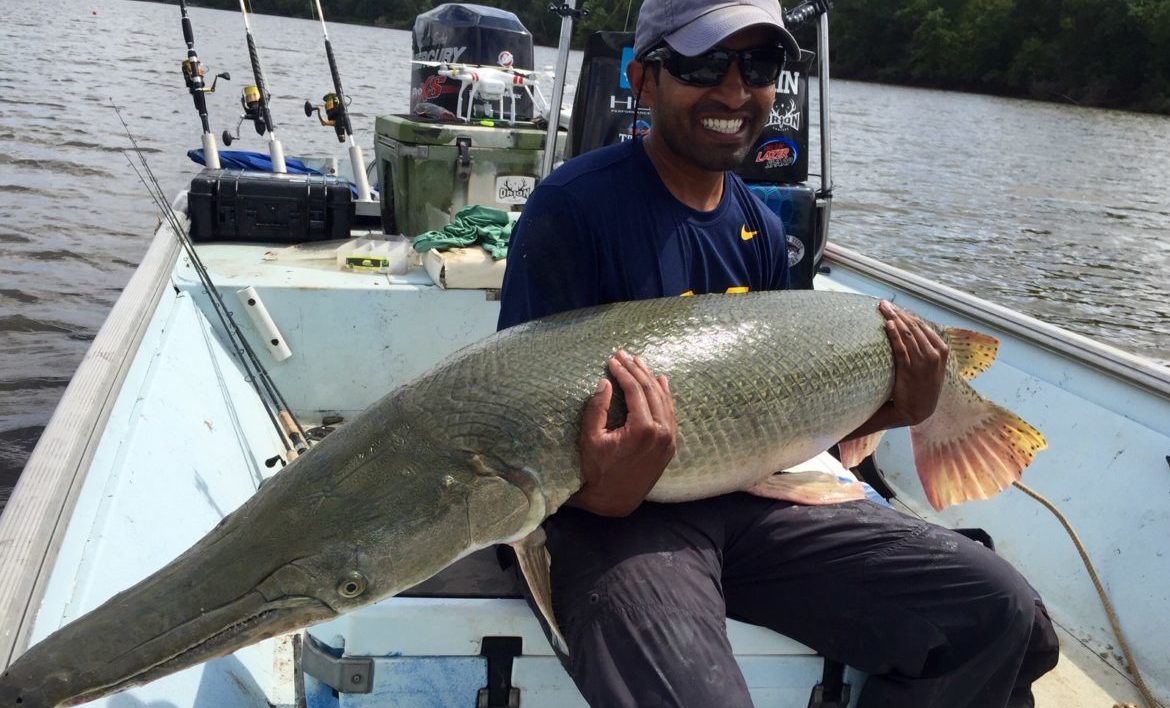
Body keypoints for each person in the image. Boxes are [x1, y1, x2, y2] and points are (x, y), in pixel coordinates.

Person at [497, 0, 1059, 705]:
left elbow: (781, 422)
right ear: (643, 80)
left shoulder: (761, 226)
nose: (734, 90)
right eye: (703, 64)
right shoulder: (571, 208)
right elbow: (515, 429)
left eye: (758, 64)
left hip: (753, 500)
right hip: (612, 522)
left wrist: (893, 412)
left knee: (998, 609)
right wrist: (603, 495)